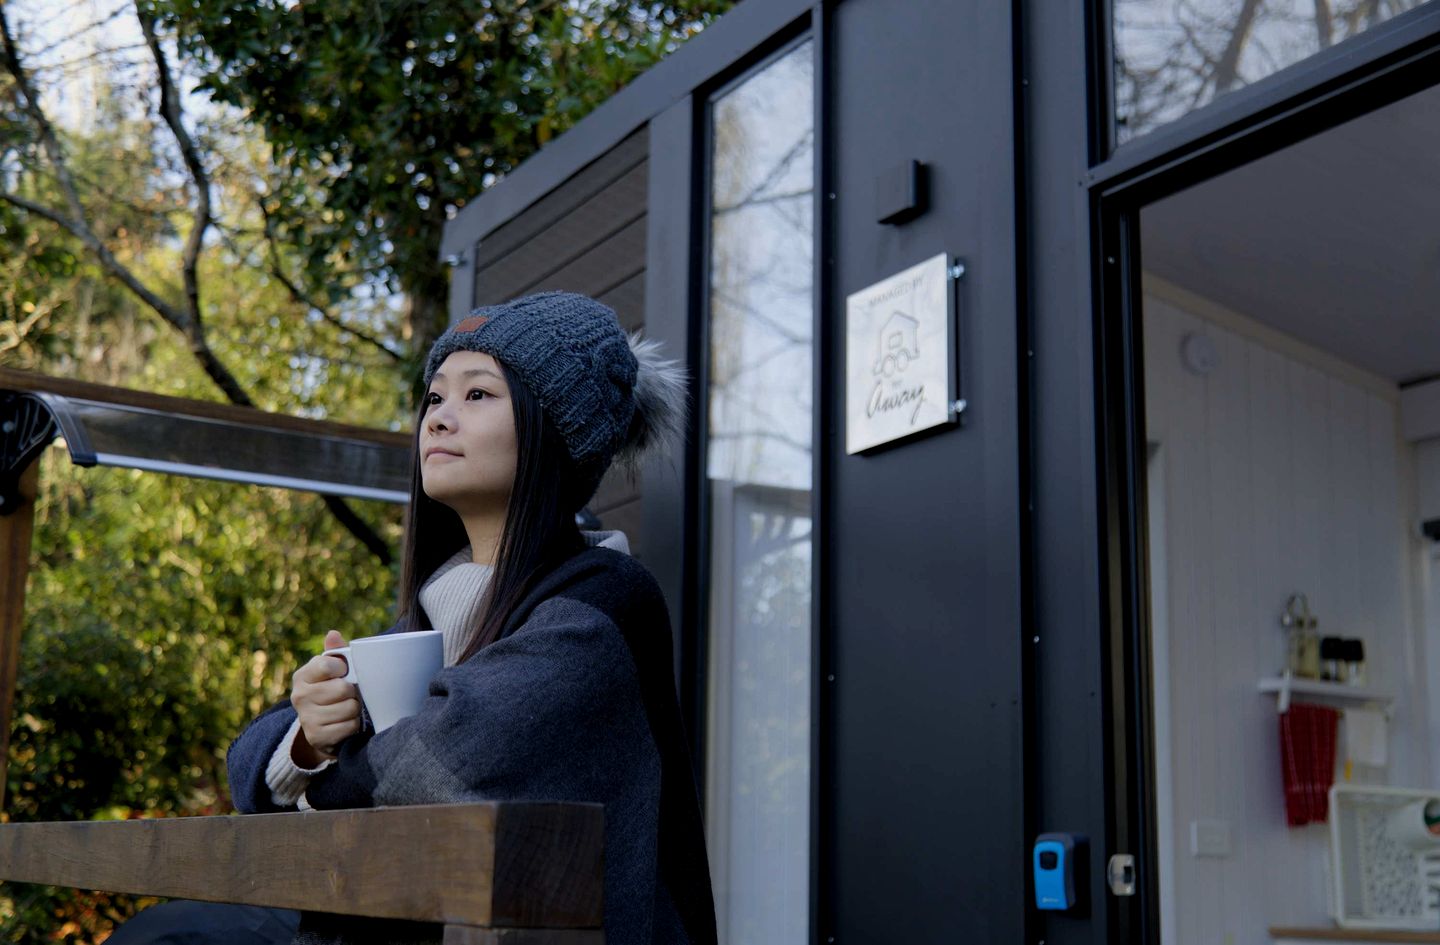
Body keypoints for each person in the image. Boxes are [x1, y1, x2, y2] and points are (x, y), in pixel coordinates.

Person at [116, 292, 716, 945]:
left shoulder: (603, 602)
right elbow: (249, 769)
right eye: (434, 398)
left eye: (478, 395)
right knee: (166, 931)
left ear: (556, 429)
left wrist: (317, 783)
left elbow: (441, 761)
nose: (439, 418)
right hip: (418, 920)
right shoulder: (430, 614)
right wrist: (310, 738)